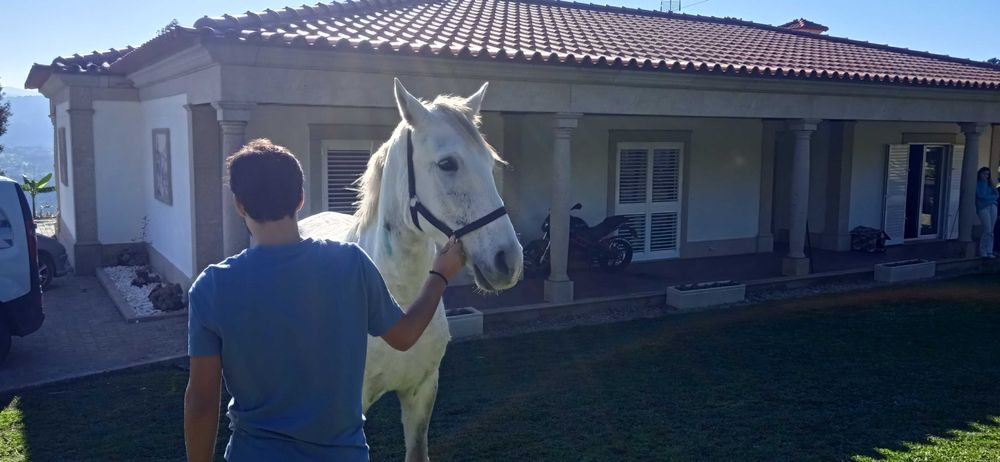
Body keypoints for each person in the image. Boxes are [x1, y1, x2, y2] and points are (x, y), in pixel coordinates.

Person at [183, 139, 466, 461]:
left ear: (240, 205)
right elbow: (405, 336)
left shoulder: (212, 287)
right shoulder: (350, 264)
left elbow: (202, 400)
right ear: (300, 199)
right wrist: (440, 274)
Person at [975, 166, 998, 258]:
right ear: (980, 174)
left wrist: (991, 198)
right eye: (984, 173)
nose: (986, 176)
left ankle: (989, 251)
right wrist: (991, 198)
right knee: (987, 229)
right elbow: (981, 195)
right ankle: (983, 251)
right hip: (982, 208)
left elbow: (997, 194)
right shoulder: (977, 184)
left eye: (988, 174)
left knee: (991, 231)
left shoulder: (990, 184)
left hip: (993, 207)